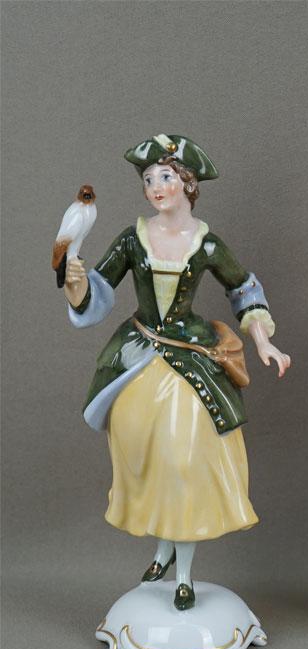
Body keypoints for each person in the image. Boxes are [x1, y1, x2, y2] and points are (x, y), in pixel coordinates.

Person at [64, 133, 290, 610]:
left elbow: (243, 287)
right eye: (148, 179)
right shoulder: (133, 238)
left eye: (165, 176)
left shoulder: (206, 243)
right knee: (145, 452)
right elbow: (98, 292)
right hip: (139, 354)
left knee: (186, 460)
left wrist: (263, 340)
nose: (155, 188)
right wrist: (76, 281)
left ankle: (183, 572)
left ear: (188, 183)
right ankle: (162, 549)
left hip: (191, 357)